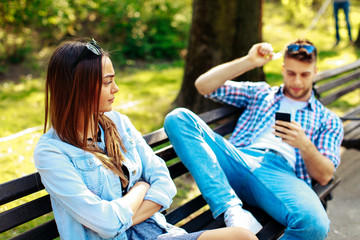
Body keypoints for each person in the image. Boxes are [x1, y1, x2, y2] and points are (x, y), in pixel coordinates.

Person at [33, 38, 257, 240]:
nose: (116, 88)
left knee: (242, 237)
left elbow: (164, 183)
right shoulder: (53, 152)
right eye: (107, 82)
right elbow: (106, 223)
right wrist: (140, 188)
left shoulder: (118, 123)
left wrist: (123, 216)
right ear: (77, 88)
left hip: (159, 232)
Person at [164, 39, 344, 239]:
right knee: (178, 117)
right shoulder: (261, 93)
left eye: (305, 74)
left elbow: (325, 175)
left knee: (315, 226)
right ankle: (232, 210)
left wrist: (304, 144)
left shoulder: (327, 119)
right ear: (283, 69)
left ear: (315, 72)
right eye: (291, 73)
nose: (297, 82)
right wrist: (249, 61)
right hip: (237, 158)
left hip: (281, 176)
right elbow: (203, 85)